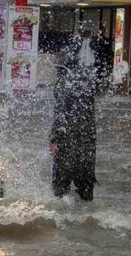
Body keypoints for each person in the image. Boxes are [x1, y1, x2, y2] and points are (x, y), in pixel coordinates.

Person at [49, 25, 98, 201]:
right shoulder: (88, 82)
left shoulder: (63, 84)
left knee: (61, 191)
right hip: (87, 143)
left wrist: (54, 138)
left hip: (68, 143)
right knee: (86, 188)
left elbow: (61, 113)